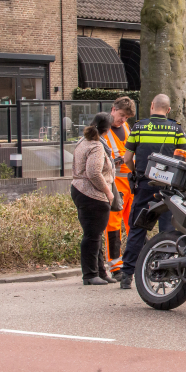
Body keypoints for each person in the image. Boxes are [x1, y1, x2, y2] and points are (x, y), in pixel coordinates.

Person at [119, 94, 186, 290]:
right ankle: (161, 271)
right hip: (168, 188)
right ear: (168, 110)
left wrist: (134, 174)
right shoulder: (176, 129)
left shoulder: (139, 127)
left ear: (152, 106)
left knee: (138, 228)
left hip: (144, 185)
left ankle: (126, 275)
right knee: (167, 231)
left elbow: (126, 158)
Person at [70, 112, 117, 285]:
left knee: (94, 234)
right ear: (108, 129)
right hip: (92, 194)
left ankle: (100, 272)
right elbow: (93, 173)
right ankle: (90, 274)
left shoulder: (82, 141)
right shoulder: (97, 146)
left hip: (79, 190)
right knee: (92, 236)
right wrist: (108, 191)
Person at [101, 96, 136, 280]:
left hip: (129, 182)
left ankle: (133, 261)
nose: (123, 120)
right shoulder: (103, 130)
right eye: (121, 115)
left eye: (126, 117)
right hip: (114, 185)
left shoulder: (126, 127)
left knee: (133, 224)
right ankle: (115, 266)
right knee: (113, 225)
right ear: (113, 109)